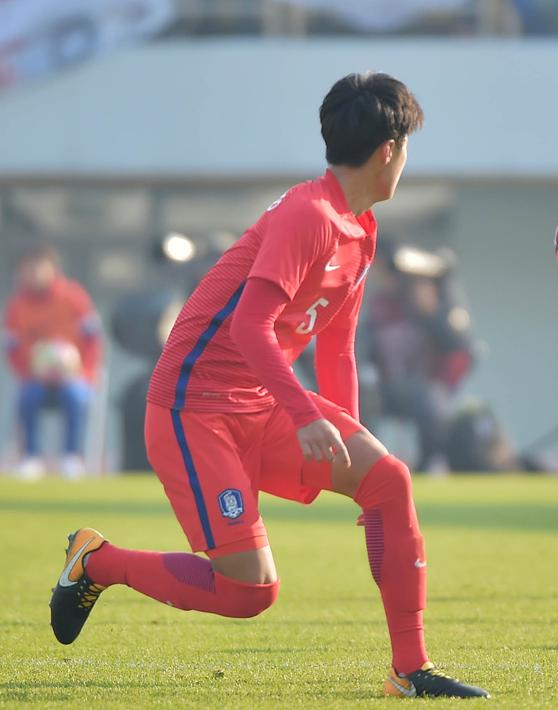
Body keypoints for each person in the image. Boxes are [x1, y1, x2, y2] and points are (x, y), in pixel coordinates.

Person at [47, 72, 489, 699]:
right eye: (409, 148)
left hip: (261, 399)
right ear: (389, 150)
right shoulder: (308, 216)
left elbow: (337, 343)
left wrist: (351, 441)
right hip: (191, 407)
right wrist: (308, 420)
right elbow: (252, 327)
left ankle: (410, 671)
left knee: (388, 480)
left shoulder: (361, 230)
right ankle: (98, 561)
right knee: (250, 591)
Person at [4, 245, 101, 479]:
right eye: (29, 269)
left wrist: (84, 372)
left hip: (72, 378)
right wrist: (28, 372)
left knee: (76, 397)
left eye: (39, 268)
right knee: (28, 396)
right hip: (35, 379)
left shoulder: (73, 297)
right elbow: (11, 347)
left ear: (52, 269)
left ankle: (72, 457)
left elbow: (92, 338)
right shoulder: (17, 306)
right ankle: (31, 457)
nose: (34, 274)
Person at [367, 262, 473, 472]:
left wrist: (430, 311)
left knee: (430, 408)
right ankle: (365, 465)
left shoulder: (433, 308)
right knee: (361, 399)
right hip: (387, 387)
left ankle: (424, 469)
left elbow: (457, 345)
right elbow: (364, 348)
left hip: (426, 386)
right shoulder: (380, 308)